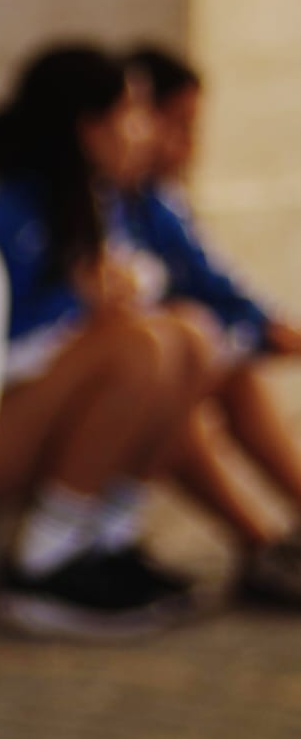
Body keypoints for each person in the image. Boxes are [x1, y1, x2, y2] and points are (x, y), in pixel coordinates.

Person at [0, 45, 220, 639]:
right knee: (139, 346)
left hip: (12, 410)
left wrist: (103, 298)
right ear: (90, 126)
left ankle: (104, 541)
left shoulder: (88, 195)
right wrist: (82, 305)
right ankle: (43, 566)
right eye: (132, 115)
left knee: (190, 335)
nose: (144, 133)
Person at [126, 45, 301, 605]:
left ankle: (270, 546)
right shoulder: (95, 200)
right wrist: (257, 332)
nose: (189, 146)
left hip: (147, 360)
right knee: (197, 364)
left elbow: (214, 281)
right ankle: (263, 546)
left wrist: (263, 329)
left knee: (218, 361)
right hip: (96, 380)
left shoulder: (153, 199)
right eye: (177, 125)